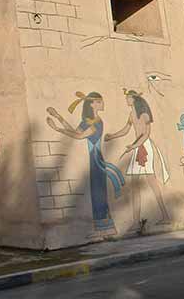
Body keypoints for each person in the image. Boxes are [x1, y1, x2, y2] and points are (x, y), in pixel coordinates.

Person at [46, 92, 125, 234]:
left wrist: (57, 129)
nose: (103, 103)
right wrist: (58, 117)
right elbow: (74, 131)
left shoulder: (97, 122)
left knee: (98, 191)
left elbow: (79, 136)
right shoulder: (88, 121)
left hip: (96, 158)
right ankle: (103, 228)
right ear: (92, 104)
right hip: (93, 158)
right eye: (100, 101)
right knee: (96, 191)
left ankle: (105, 228)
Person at [106, 90, 170, 227]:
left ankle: (165, 215)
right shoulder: (131, 114)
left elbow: (146, 134)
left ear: (134, 99)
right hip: (136, 147)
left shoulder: (145, 114)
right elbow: (126, 130)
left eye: (128, 98)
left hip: (144, 148)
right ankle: (136, 221)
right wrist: (112, 136)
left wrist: (135, 145)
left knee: (152, 182)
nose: (126, 100)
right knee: (135, 185)